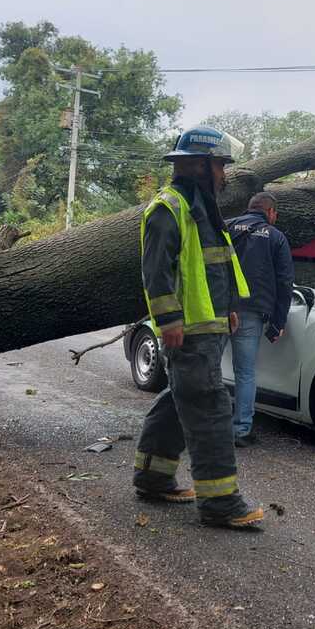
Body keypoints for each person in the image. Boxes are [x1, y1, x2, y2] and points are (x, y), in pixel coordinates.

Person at [132, 126, 264, 530]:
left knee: (181, 397)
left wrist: (228, 310)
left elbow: (216, 266)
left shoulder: (202, 206)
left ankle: (153, 475)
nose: (225, 174)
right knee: (209, 405)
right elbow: (156, 270)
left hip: (207, 325)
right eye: (221, 165)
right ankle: (221, 501)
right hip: (187, 329)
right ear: (200, 164)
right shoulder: (169, 207)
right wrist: (168, 320)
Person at [226, 192, 294, 447]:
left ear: (249, 208)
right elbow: (285, 281)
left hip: (218, 308)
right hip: (250, 313)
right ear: (271, 213)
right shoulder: (276, 237)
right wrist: (278, 322)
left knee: (207, 368)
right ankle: (241, 431)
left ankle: (202, 427)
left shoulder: (228, 227)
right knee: (244, 373)